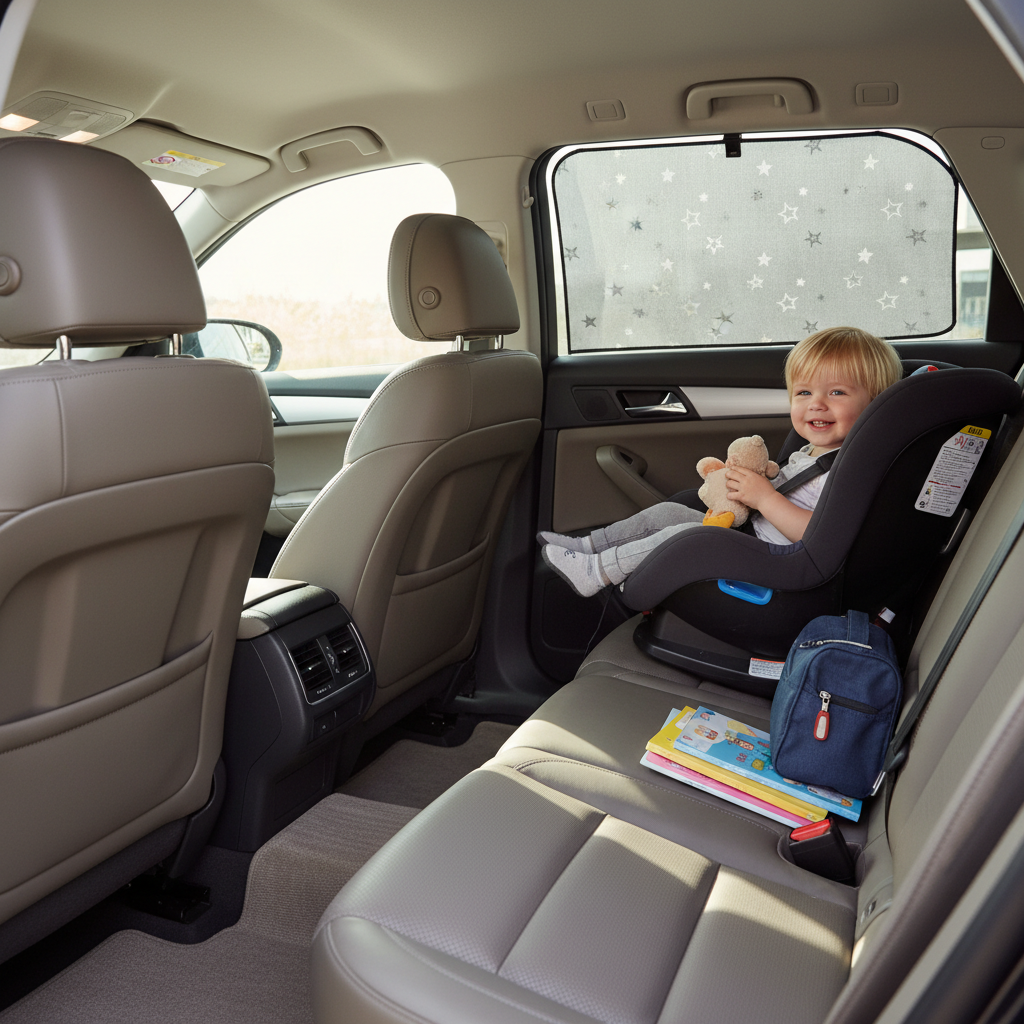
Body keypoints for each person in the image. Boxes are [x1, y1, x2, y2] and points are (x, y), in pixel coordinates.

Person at [540, 326, 903, 598]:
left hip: (776, 562)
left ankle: (598, 572)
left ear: (876, 403)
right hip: (753, 536)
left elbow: (820, 536)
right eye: (804, 392)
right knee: (668, 513)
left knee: (684, 535)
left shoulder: (847, 471)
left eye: (837, 392)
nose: (816, 403)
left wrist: (764, 497)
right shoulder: (813, 453)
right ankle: (589, 545)